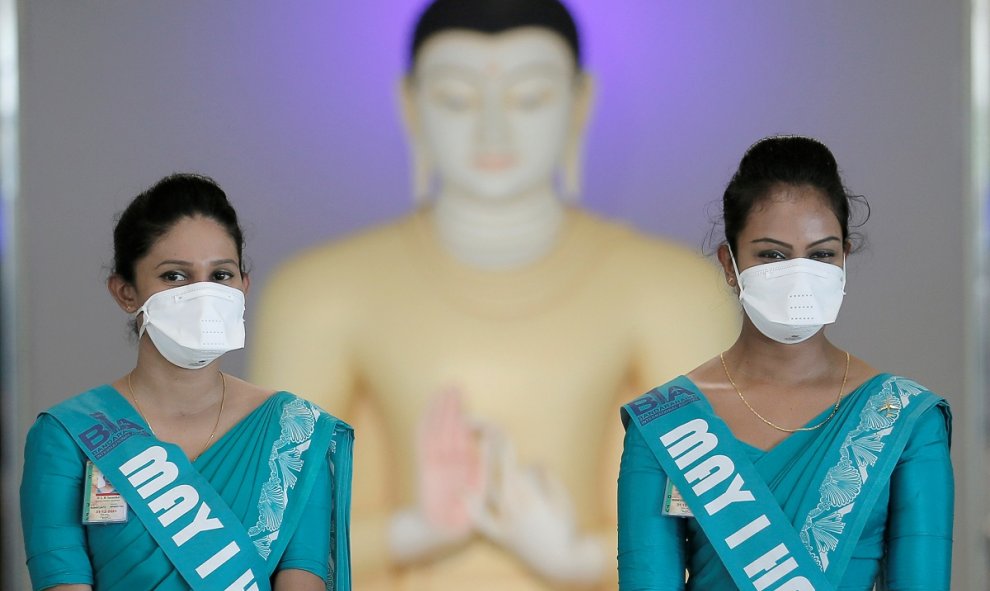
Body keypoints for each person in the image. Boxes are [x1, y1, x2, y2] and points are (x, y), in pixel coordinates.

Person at [251, 1, 737, 590]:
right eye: (456, 98)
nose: (493, 129)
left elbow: (728, 533)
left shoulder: (674, 290)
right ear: (411, 106)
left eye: (530, 97)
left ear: (579, 104)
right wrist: (414, 530)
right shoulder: (321, 294)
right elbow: (265, 535)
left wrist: (577, 557)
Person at [617, 136, 954, 590]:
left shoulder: (904, 419)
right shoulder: (666, 424)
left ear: (844, 260)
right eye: (772, 254)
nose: (799, 274)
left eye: (821, 254)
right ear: (730, 264)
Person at [20, 174, 353, 591]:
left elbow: (302, 579)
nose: (202, 295)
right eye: (174, 276)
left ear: (243, 287)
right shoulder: (68, 435)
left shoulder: (294, 431)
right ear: (126, 292)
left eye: (221, 276)